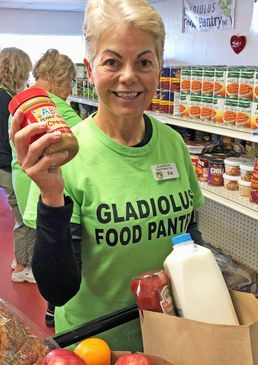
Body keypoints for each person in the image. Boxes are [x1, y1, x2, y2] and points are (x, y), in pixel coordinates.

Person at [11, 0, 204, 351]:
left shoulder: (174, 145)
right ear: (91, 68)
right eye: (112, 62)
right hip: (95, 346)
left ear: (159, 68)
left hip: (167, 337)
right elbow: (57, 290)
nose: (129, 76)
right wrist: (52, 196)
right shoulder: (66, 155)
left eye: (144, 62)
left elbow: (188, 235)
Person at [10, 48, 82, 327]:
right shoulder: (55, 110)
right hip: (47, 186)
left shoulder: (21, 105)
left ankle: (49, 297)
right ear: (58, 78)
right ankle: (54, 308)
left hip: (23, 180)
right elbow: (79, 145)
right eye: (68, 83)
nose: (68, 90)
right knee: (57, 244)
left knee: (38, 235)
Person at [0, 47, 33, 282]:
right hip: (6, 163)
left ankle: (19, 257)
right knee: (23, 216)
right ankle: (22, 268)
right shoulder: (9, 101)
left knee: (18, 212)